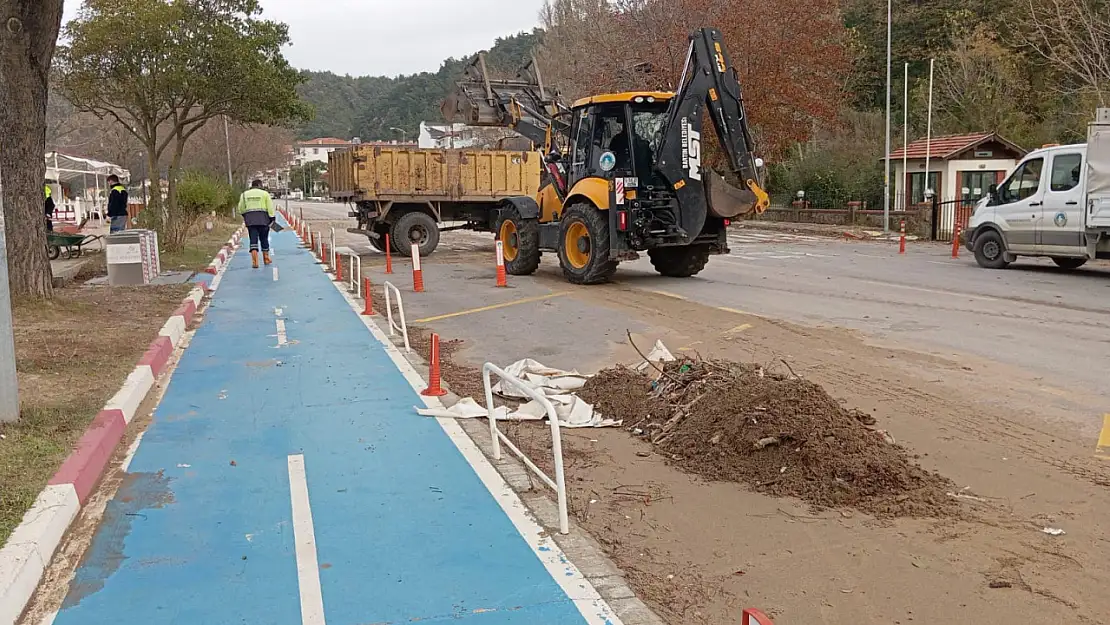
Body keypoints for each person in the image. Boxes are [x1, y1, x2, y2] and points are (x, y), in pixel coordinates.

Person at [238, 179, 275, 268]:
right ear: (259, 185)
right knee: (264, 239)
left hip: (250, 220)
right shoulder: (265, 194)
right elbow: (270, 207)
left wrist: (246, 216)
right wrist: (272, 218)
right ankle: (266, 259)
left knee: (253, 239)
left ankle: (255, 262)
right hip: (263, 220)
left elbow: (240, 209)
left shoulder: (244, 195)